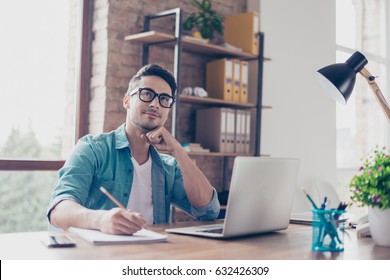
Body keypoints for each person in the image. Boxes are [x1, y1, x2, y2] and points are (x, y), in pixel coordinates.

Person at [47, 63, 220, 235]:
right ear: (127, 101)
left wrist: (178, 150)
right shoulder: (92, 148)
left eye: (164, 99)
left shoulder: (169, 167)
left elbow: (208, 210)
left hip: (153, 256)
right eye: (146, 94)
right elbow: (58, 211)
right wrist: (100, 220)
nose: (155, 104)